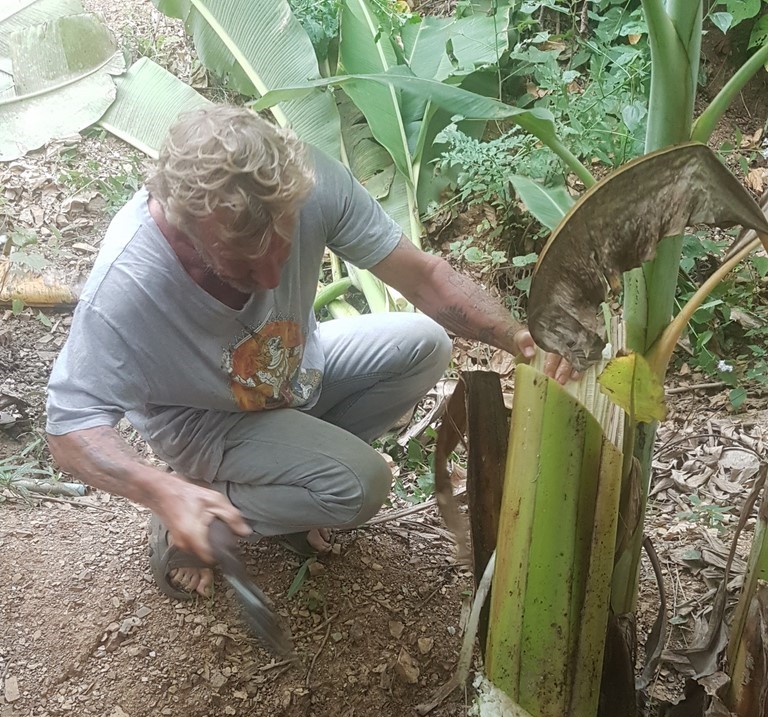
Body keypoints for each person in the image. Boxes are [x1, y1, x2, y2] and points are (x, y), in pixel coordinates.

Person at [46, 104, 571, 599]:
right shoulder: (128, 284)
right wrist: (161, 492)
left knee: (424, 346)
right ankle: (195, 516)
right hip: (206, 422)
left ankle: (296, 491)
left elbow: (425, 279)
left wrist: (521, 338)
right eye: (244, 266)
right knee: (362, 485)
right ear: (185, 231)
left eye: (283, 248)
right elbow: (69, 431)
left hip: (289, 373)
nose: (272, 279)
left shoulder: (305, 183)